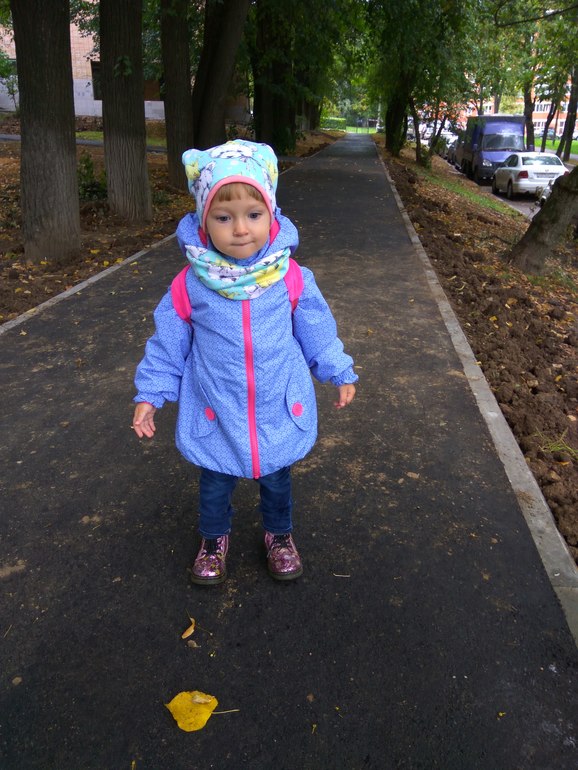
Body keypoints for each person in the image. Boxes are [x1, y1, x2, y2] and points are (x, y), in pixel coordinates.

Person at [132, 139, 357, 585]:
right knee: (215, 482)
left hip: (276, 402)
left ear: (271, 214)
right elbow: (167, 344)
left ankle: (280, 535)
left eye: (253, 215)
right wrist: (151, 394)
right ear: (203, 221)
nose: (240, 229)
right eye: (223, 217)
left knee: (277, 479)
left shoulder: (291, 277)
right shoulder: (190, 284)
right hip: (218, 405)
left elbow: (316, 327)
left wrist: (337, 369)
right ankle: (213, 539)